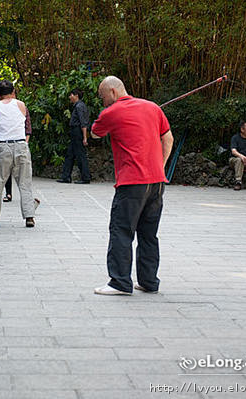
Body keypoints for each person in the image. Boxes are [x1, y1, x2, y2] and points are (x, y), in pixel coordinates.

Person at [90, 76, 174, 295]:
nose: (103, 102)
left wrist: (113, 118)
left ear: (113, 92)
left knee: (121, 231)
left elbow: (95, 133)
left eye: (103, 97)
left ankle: (119, 282)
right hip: (156, 182)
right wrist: (160, 166)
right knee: (148, 234)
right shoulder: (153, 107)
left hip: (131, 183)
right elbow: (168, 139)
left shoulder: (111, 112)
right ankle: (149, 282)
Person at [0, 80, 36, 228]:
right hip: (21, 146)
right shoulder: (21, 105)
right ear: (13, 91)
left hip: (2, 148)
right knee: (25, 184)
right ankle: (29, 217)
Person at [57, 88, 91, 184]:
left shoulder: (79, 106)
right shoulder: (78, 106)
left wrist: (85, 137)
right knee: (70, 155)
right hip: (74, 132)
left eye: (71, 95)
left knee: (80, 154)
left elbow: (83, 122)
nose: (69, 97)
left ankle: (85, 177)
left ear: (76, 96)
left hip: (78, 132)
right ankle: (66, 176)